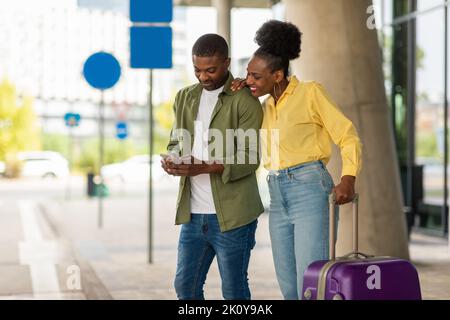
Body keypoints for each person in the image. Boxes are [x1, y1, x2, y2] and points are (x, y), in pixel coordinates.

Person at [231, 20, 362, 300]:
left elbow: (347, 135)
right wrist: (240, 93)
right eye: (247, 74)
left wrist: (348, 177)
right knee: (289, 287)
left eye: (255, 76)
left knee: (312, 284)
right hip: (277, 195)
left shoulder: (310, 93)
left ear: (277, 75)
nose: (249, 80)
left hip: (310, 189)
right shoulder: (263, 106)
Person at [161, 34, 264, 300]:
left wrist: (205, 167)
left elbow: (250, 157)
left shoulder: (244, 100)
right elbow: (177, 141)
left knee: (233, 290)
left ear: (227, 63)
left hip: (233, 216)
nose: (203, 77)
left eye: (211, 70)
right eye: (197, 70)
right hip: (193, 215)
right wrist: (173, 159)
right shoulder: (185, 97)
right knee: (185, 286)